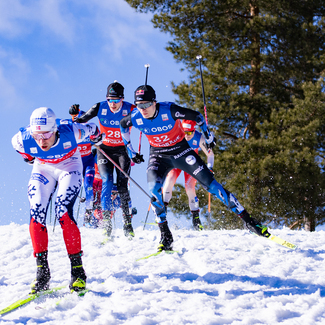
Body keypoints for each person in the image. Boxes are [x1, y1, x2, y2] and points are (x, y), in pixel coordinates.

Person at [120, 85, 270, 252]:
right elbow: (123, 125)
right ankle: (166, 235)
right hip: (159, 156)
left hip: (182, 152)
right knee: (154, 190)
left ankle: (250, 222)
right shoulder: (136, 117)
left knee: (212, 186)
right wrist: (130, 151)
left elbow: (197, 116)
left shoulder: (169, 110)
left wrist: (207, 135)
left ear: (154, 102)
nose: (143, 109)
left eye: (146, 105)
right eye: (139, 105)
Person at [11, 107, 104, 293]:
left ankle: (77, 272)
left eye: (46, 135)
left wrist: (96, 138)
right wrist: (30, 158)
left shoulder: (72, 131)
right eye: (37, 135)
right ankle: (42, 273)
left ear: (55, 130)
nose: (41, 141)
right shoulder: (21, 139)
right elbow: (21, 150)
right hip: (43, 168)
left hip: (69, 166)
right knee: (37, 212)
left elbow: (93, 128)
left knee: (62, 211)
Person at [72, 82, 136, 239]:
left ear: (122, 99)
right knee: (106, 181)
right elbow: (82, 119)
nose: (112, 104)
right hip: (104, 150)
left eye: (116, 100)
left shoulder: (131, 109)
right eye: (110, 100)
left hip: (122, 151)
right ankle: (107, 223)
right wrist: (74, 115)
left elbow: (148, 119)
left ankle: (127, 223)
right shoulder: (99, 107)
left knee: (122, 186)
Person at [162, 119, 214, 231]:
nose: (187, 136)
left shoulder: (199, 137)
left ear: (194, 130)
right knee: (169, 181)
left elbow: (210, 154)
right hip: (176, 161)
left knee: (190, 187)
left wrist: (210, 168)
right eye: (184, 132)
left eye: (190, 132)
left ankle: (196, 220)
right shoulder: (176, 134)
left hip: (191, 163)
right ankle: (162, 213)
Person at [69, 104, 95, 225]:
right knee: (72, 188)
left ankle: (89, 210)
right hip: (76, 164)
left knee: (89, 186)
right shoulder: (71, 130)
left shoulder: (88, 129)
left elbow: (99, 138)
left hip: (88, 162)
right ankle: (68, 214)